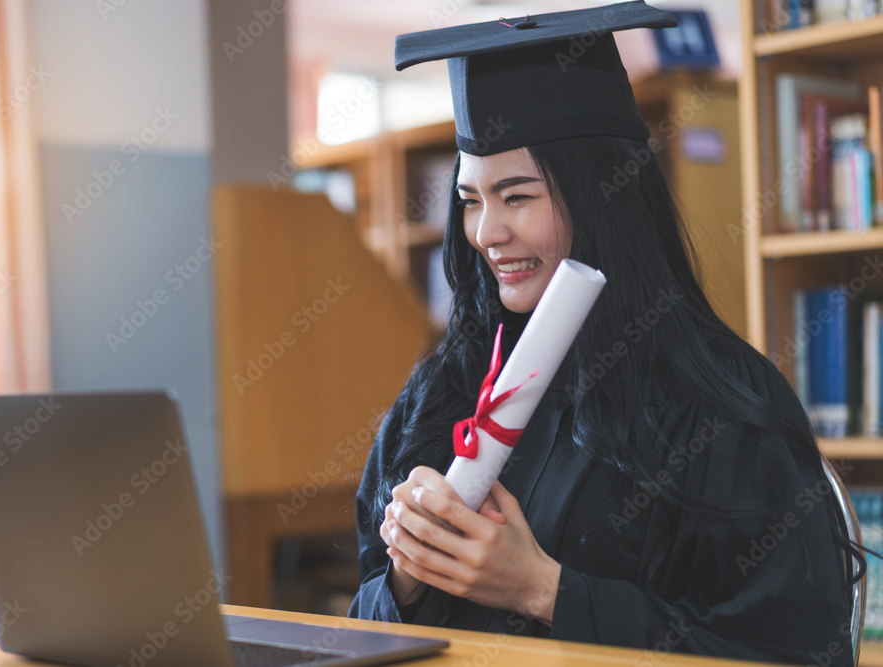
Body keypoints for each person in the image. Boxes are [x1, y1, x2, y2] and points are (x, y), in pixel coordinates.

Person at [348, 2, 863, 665]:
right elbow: (362, 625)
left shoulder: (717, 404)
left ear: (601, 197)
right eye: (471, 199)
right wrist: (407, 578)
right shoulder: (445, 391)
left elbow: (791, 651)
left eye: (518, 196)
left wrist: (544, 589)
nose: (486, 233)